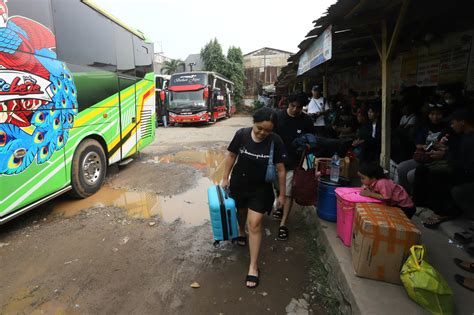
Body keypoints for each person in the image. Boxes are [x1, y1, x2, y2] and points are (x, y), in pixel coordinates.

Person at [221, 107, 286, 289]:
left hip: (261, 189)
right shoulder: (241, 135)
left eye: (268, 130)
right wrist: (225, 178)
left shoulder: (276, 141)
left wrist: (282, 194)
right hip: (239, 185)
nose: (263, 133)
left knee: (255, 223)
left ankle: (253, 266)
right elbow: (232, 156)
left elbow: (281, 170)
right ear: (253, 123)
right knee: (241, 213)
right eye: (259, 128)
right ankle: (241, 230)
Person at [419, 108, 474, 228]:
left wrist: (446, 155)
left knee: (439, 175)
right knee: (427, 170)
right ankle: (432, 206)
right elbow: (459, 155)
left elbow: (466, 164)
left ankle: (444, 212)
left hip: (467, 174)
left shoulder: (470, 139)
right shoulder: (464, 136)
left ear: (463, 122)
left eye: (454, 122)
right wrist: (445, 151)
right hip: (460, 168)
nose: (452, 125)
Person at [272, 93, 314, 240]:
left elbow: (311, 140)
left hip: (292, 162)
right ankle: (279, 204)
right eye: (293, 106)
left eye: (299, 107)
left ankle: (283, 224)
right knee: (278, 187)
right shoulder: (277, 117)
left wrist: (308, 147)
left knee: (288, 192)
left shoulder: (307, 121)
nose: (295, 109)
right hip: (275, 161)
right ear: (287, 104)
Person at [396, 102, 448, 193]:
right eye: (432, 114)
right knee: (401, 167)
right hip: (425, 157)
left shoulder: (447, 128)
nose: (435, 117)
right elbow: (418, 144)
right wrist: (424, 146)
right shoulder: (424, 127)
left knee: (411, 175)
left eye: (438, 114)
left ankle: (418, 198)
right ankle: (405, 195)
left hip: (439, 160)